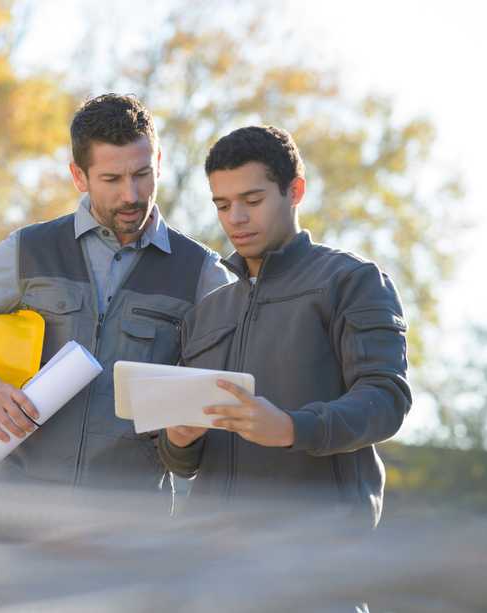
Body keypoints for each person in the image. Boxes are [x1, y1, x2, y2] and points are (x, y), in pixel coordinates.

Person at [0, 93, 231, 490]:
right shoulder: (29, 250)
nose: (131, 195)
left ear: (160, 163)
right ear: (79, 176)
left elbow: (224, 396)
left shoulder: (201, 273)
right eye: (111, 179)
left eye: (142, 174)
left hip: (123, 524)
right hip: (9, 511)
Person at [158, 126, 411, 527]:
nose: (236, 218)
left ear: (295, 192)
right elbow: (183, 464)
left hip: (312, 558)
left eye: (252, 200)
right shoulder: (206, 313)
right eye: (222, 205)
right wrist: (179, 439)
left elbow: (385, 400)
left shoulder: (352, 282)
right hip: (208, 561)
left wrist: (294, 428)